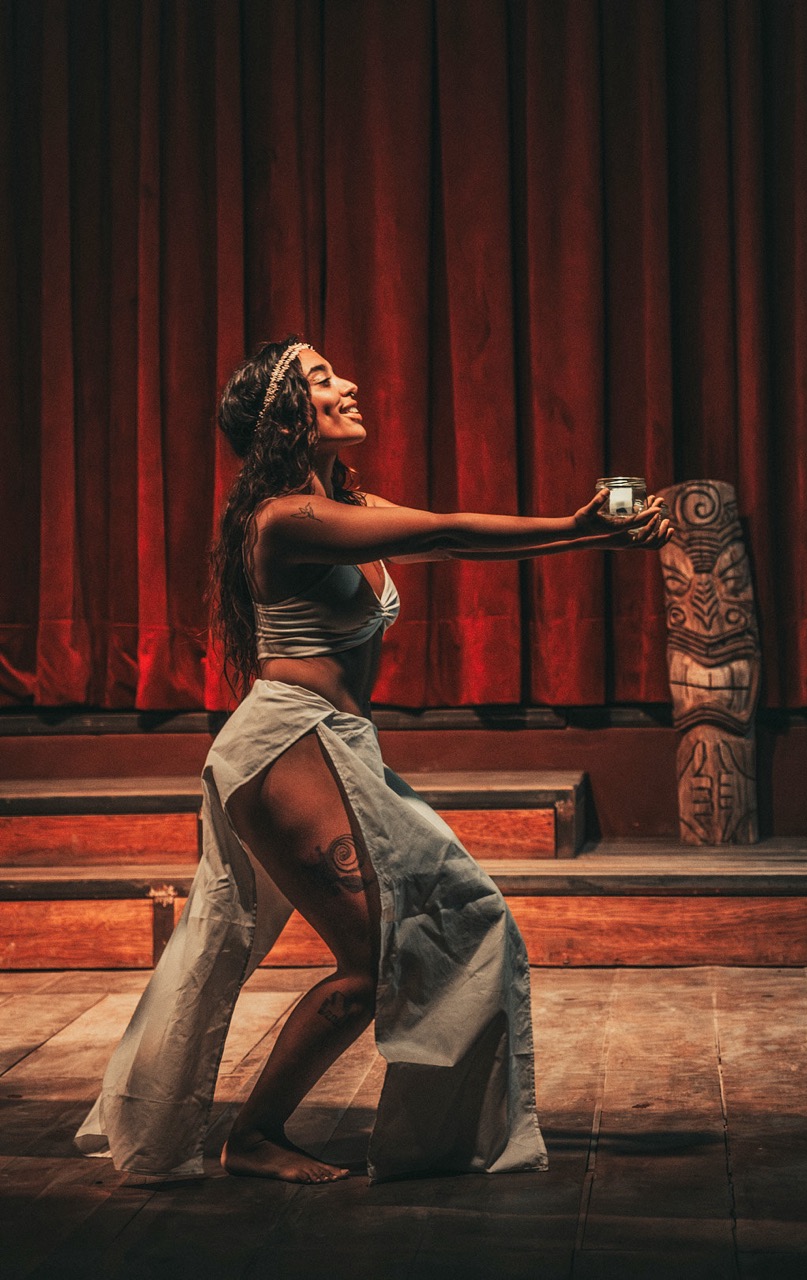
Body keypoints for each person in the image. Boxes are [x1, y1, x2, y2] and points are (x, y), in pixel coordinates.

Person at [76, 337, 672, 1187]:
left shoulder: (341, 505)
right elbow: (450, 531)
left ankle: (431, 1134)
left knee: (467, 916)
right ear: (289, 415)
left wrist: (590, 542)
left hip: (333, 743)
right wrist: (579, 532)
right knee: (370, 961)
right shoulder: (287, 519)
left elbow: (445, 545)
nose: (348, 384)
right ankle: (255, 1135)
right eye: (322, 378)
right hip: (285, 745)